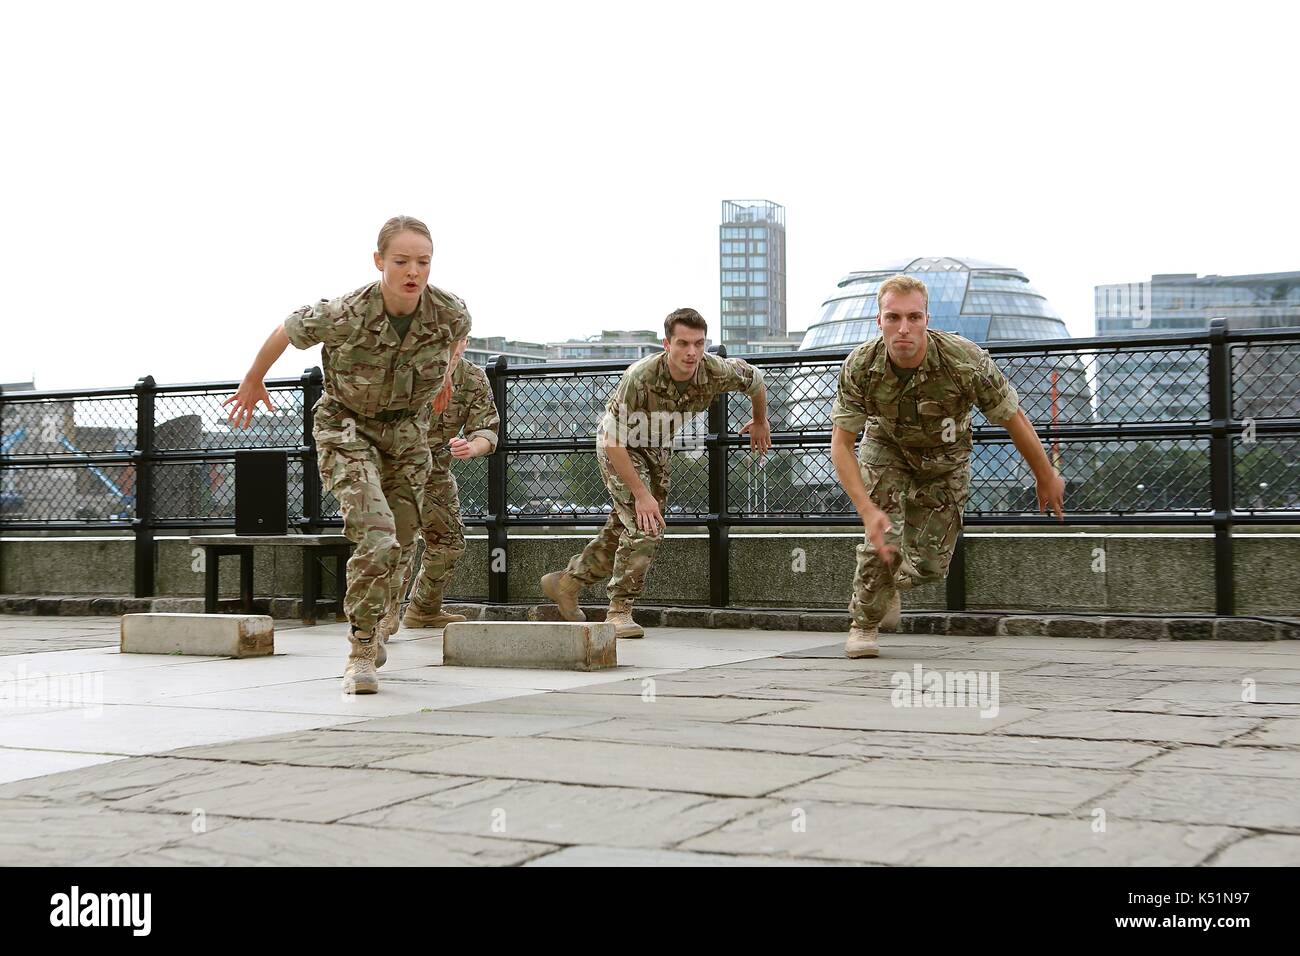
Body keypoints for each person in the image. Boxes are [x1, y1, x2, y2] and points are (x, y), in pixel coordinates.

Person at [223, 215, 469, 693]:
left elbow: (456, 339)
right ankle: (360, 651)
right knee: (376, 539)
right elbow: (287, 330)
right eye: (401, 261)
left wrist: (443, 380)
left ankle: (378, 624)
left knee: (400, 543)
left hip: (407, 437)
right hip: (347, 429)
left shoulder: (449, 312)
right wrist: (254, 378)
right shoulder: (345, 312)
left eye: (423, 262)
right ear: (380, 261)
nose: (413, 271)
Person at [830, 273, 1066, 659]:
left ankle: (889, 586)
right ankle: (864, 624)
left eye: (913, 317)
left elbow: (1014, 418)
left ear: (927, 319)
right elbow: (841, 445)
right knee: (883, 540)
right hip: (886, 448)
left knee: (930, 566)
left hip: (945, 460)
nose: (903, 328)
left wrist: (1045, 474)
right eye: (893, 318)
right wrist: (867, 509)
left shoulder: (964, 360)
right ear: (879, 321)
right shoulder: (861, 365)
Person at [540, 307, 771, 637]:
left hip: (658, 448)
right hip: (618, 447)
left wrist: (760, 419)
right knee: (646, 525)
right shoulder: (641, 376)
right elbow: (613, 440)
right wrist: (641, 493)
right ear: (667, 344)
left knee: (627, 527)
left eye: (698, 343)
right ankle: (619, 611)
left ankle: (567, 582)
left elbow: (755, 380)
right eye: (682, 343)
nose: (691, 352)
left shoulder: (715, 370)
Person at [397, 337, 500, 629]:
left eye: (459, 340)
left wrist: (471, 448)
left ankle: (423, 609)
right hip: (395, 468)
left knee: (449, 543)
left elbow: (487, 430)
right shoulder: (410, 369)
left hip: (435, 473)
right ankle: (381, 618)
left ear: (465, 343)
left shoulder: (473, 378)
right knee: (399, 545)